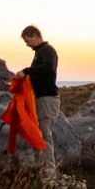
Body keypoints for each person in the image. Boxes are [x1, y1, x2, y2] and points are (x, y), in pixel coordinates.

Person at [14, 25, 59, 173]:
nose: (27, 45)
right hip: (39, 99)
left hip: (47, 99)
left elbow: (48, 68)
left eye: (27, 41)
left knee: (44, 134)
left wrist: (27, 71)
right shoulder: (39, 52)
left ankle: (49, 174)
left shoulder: (48, 50)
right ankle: (42, 171)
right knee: (37, 134)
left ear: (34, 35)